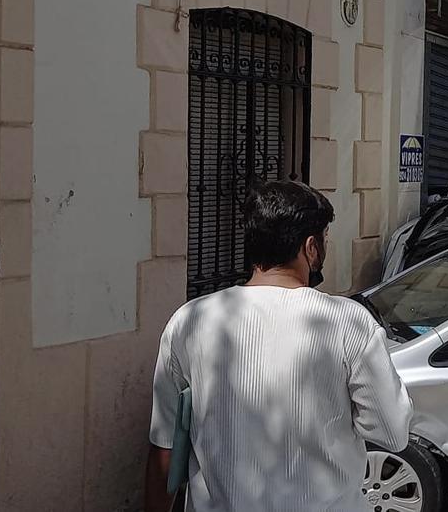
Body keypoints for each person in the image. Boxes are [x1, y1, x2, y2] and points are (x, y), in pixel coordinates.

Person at [145, 181, 413, 511]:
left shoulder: (189, 320)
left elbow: (164, 446)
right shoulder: (349, 323)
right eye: (325, 240)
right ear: (311, 247)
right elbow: (392, 432)